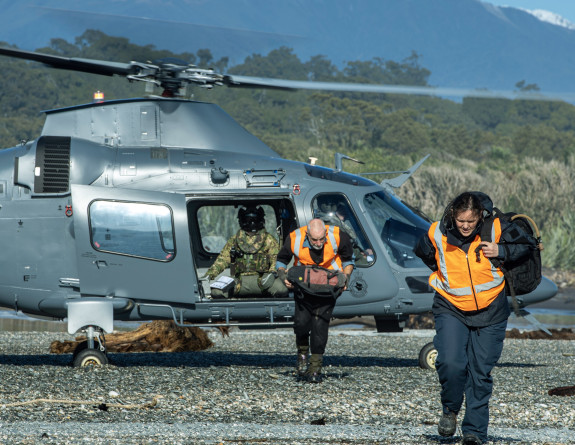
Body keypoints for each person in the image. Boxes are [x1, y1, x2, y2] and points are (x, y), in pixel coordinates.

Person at [414, 191, 532, 445]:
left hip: (492, 310)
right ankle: (450, 409)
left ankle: (474, 433)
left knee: (480, 373)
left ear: (480, 216)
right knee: (451, 362)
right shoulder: (436, 232)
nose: (465, 226)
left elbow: (527, 245)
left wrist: (501, 250)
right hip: (450, 306)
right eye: (460, 221)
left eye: (471, 221)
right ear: (452, 216)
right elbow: (423, 252)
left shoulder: (497, 228)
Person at [276, 218, 355, 383]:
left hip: (328, 288)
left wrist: (346, 277)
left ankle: (315, 368)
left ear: (325, 233)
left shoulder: (339, 236)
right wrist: (283, 276)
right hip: (303, 287)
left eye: (321, 239)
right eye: (314, 240)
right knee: (301, 323)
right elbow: (281, 261)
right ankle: (302, 354)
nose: (319, 243)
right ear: (307, 235)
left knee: (320, 324)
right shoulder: (294, 238)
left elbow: (348, 260)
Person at [205, 206, 288, 299]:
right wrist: (209, 275)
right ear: (242, 220)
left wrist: (272, 274)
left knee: (282, 289)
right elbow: (222, 260)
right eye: (248, 219)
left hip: (263, 280)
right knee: (216, 291)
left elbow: (276, 259)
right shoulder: (235, 240)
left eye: (254, 218)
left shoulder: (268, 239)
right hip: (239, 281)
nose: (251, 222)